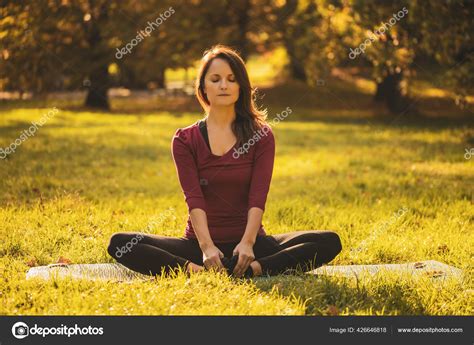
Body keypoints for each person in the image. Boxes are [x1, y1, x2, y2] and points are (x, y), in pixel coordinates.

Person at [108, 45, 342, 278]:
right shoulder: (185, 139)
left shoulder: (261, 135)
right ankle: (198, 272)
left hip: (251, 246)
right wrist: (207, 248)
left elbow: (258, 197)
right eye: (215, 79)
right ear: (203, 87)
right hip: (199, 247)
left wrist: (248, 244)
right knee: (121, 243)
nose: (223, 85)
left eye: (232, 79)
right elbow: (194, 199)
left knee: (328, 242)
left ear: (241, 86)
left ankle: (253, 270)